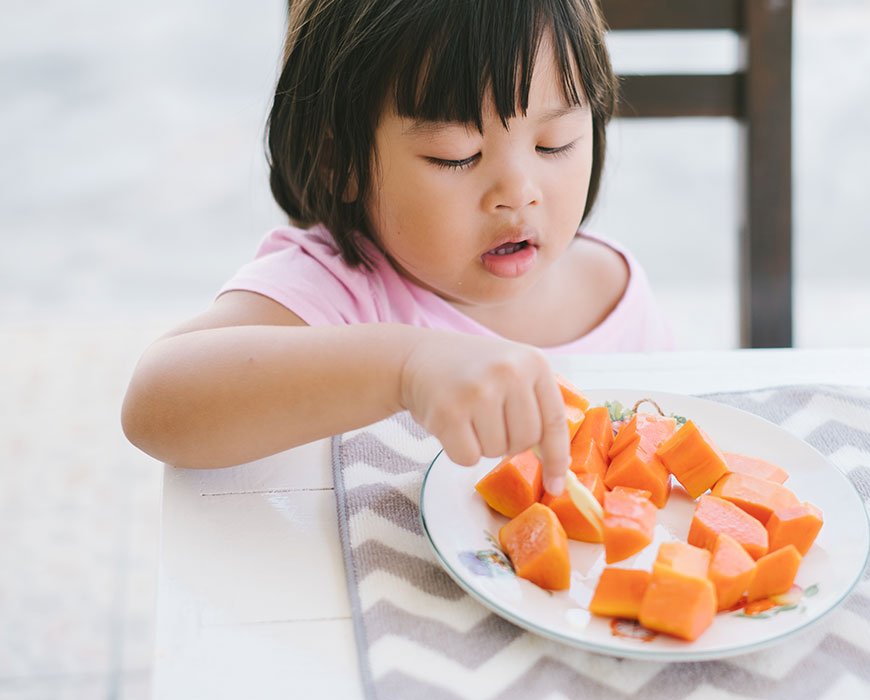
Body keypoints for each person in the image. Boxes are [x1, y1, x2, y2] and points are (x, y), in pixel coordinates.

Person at [121, 0, 673, 496]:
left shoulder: (614, 291)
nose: (519, 194)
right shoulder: (338, 293)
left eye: (555, 144)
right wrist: (406, 368)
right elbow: (155, 401)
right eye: (456, 156)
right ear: (340, 162)